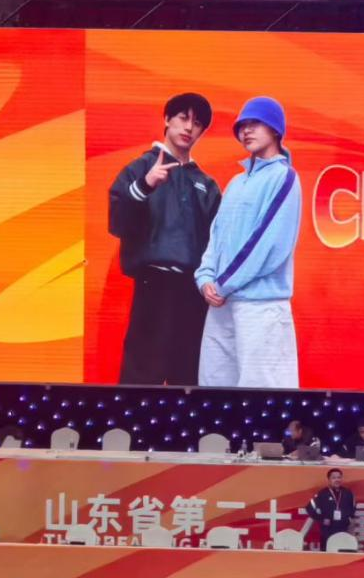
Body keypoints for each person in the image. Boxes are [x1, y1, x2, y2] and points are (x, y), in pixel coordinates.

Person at [109, 92, 221, 385]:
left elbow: (219, 242)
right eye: (183, 118)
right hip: (153, 286)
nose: (189, 127)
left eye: (197, 123)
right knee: (141, 378)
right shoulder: (139, 168)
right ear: (167, 119)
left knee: (189, 379)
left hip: (193, 292)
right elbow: (118, 222)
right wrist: (145, 185)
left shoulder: (206, 184)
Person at [197, 97, 303, 388]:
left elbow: (267, 245)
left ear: (275, 129)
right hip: (221, 305)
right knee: (214, 387)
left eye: (255, 123)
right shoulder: (236, 182)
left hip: (261, 306)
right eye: (242, 126)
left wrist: (221, 285)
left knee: (263, 393)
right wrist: (205, 278)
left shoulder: (284, 177)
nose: (246, 130)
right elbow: (216, 236)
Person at [305, 469, 356, 550]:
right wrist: (321, 519)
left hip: (344, 530)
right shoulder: (322, 493)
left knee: (342, 553)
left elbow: (353, 509)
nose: (337, 480)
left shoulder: (347, 493)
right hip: (327, 531)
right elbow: (309, 508)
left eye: (339, 477)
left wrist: (349, 520)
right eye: (334, 478)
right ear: (329, 480)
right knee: (326, 554)